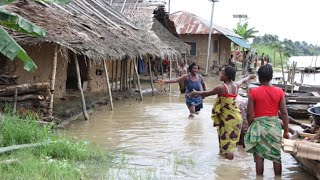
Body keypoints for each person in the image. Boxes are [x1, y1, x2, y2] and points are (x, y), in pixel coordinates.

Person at [189, 66, 255, 160]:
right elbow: (243, 80)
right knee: (230, 143)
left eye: (222, 73)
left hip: (228, 120)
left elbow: (206, 93)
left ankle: (229, 169)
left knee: (228, 147)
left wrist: (195, 93)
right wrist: (249, 77)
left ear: (227, 76)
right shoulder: (235, 85)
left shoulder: (221, 88)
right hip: (236, 118)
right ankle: (226, 165)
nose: (220, 75)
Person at [245, 64, 289, 176]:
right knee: (276, 157)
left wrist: (251, 127)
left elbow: (249, 114)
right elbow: (284, 113)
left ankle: (259, 178)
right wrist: (287, 131)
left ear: (259, 77)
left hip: (259, 127)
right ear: (271, 77)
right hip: (274, 127)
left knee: (259, 157)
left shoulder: (253, 92)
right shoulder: (279, 91)